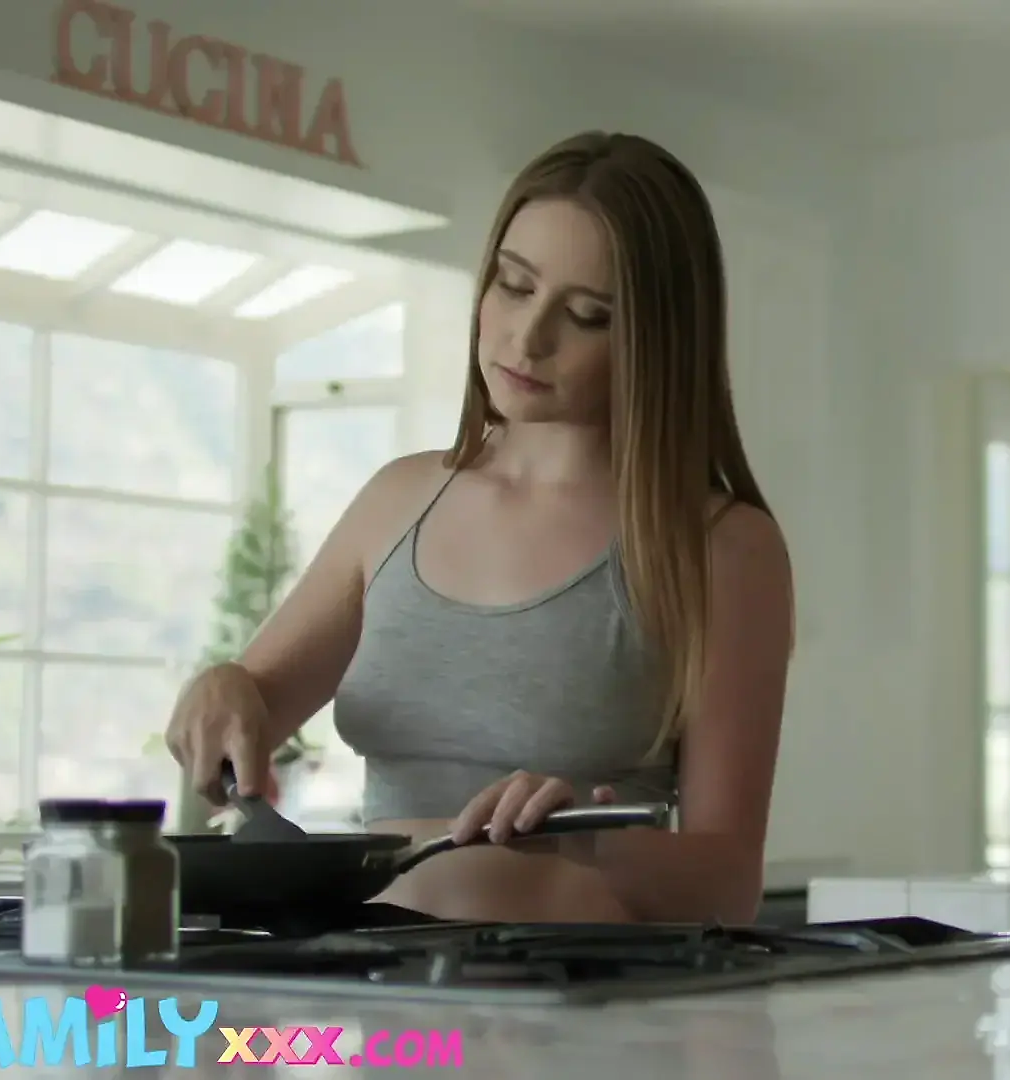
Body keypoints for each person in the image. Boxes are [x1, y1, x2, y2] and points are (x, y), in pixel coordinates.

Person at [164, 132, 794, 926]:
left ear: (658, 339)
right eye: (514, 284)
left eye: (588, 316)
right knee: (118, 996)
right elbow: (247, 713)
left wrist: (584, 843)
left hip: (569, 987)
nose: (528, 339)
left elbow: (729, 883)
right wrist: (222, 687)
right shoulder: (397, 501)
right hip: (365, 976)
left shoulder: (722, 549)